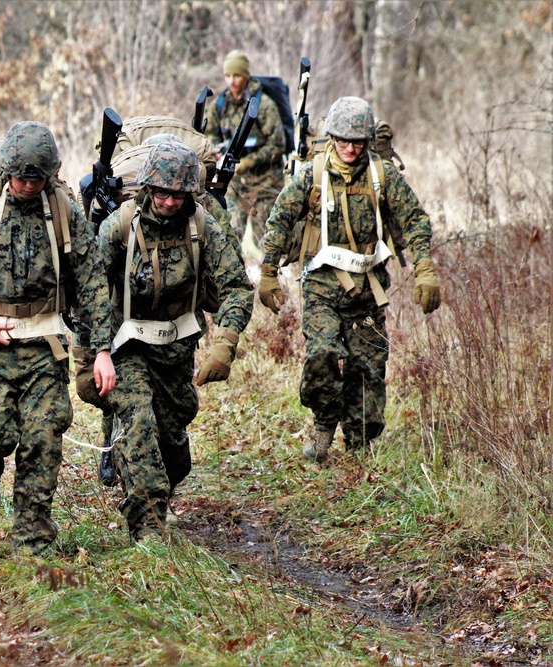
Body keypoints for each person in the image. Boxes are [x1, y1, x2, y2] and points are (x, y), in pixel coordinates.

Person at [0, 121, 115, 558]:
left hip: (45, 348)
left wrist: (102, 350)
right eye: (21, 177)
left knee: (43, 439)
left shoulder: (64, 210)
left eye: (37, 178)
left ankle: (32, 534)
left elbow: (93, 284)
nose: (28, 186)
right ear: (7, 171)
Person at [258, 96, 441, 462]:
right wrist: (267, 272)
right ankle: (325, 421)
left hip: (368, 287)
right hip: (321, 286)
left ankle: (359, 446)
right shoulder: (311, 175)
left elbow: (415, 221)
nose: (350, 148)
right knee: (323, 355)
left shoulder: (382, 175)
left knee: (368, 367)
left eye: (358, 142)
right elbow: (279, 220)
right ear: (331, 138)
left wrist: (425, 269)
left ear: (369, 141)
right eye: (343, 140)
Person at [96, 139, 254, 544]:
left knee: (172, 445)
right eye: (162, 192)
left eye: (178, 194)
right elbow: (90, 292)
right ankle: (149, 528)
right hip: (126, 344)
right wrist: (90, 355)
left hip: (176, 349)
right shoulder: (119, 227)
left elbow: (236, 286)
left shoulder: (203, 227)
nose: (169, 202)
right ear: (148, 188)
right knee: (139, 423)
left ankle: (146, 480)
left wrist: (225, 342)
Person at [203, 49, 285, 249]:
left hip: (266, 181)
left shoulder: (264, 105)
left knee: (265, 241)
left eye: (237, 75)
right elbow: (209, 134)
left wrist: (248, 162)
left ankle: (270, 277)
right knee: (229, 234)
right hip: (235, 182)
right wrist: (218, 150)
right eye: (228, 76)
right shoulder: (220, 106)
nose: (232, 81)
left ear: (247, 76)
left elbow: (277, 144)